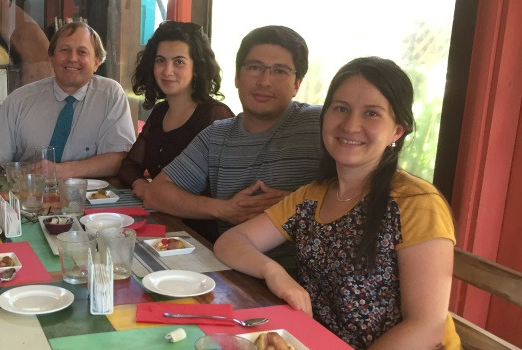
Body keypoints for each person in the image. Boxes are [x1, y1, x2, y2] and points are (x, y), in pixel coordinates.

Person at [213, 57, 460, 349]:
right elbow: (230, 242)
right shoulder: (311, 196)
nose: (350, 125)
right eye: (340, 109)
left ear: (397, 131)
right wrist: (274, 273)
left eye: (371, 113)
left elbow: (427, 327)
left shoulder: (416, 203)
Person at [141, 25, 323, 265]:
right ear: (237, 77)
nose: (264, 81)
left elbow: (368, 187)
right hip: (234, 275)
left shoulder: (321, 124)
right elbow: (156, 194)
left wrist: (297, 205)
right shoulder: (217, 134)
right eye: (255, 67)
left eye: (279, 71)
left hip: (304, 285)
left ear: (297, 84)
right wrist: (225, 209)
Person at [0, 21, 135, 179]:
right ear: (51, 57)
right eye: (64, 50)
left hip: (88, 199)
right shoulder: (19, 100)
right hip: (29, 198)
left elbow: (119, 159)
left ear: (96, 62)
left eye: (82, 52)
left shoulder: (110, 95)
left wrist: (63, 171)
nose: (72, 58)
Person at [117, 21, 234, 199]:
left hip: (201, 222)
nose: (167, 71)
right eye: (160, 61)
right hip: (163, 215)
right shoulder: (160, 112)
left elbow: (226, 188)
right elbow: (129, 166)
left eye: (179, 62)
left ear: (196, 68)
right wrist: (141, 184)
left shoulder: (215, 115)